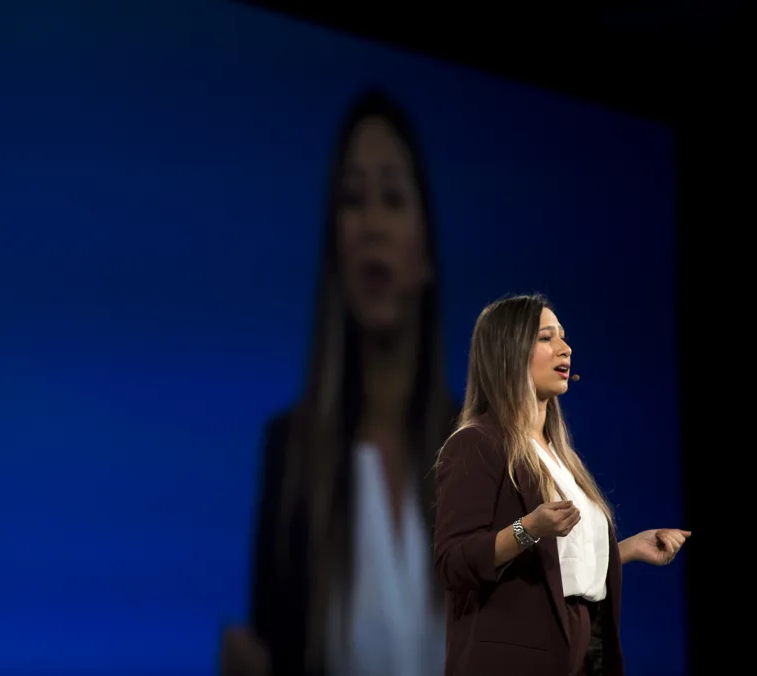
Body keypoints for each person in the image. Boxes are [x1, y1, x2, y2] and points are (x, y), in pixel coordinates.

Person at [220, 89, 458, 676]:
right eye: (353, 200)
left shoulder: (486, 449)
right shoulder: (291, 456)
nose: (373, 223)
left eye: (394, 199)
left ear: (426, 252)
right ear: (335, 244)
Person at [433, 294, 689, 676]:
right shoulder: (476, 443)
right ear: (509, 351)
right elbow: (452, 563)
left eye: (564, 338)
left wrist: (626, 550)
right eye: (546, 338)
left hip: (578, 654)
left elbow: (559, 567)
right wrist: (528, 528)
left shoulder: (557, 456)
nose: (565, 348)